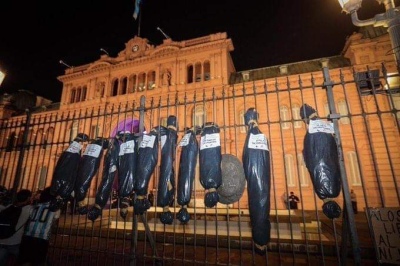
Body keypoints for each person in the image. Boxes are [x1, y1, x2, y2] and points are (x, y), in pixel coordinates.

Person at [18, 187, 60, 266]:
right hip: (42, 237)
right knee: (39, 261)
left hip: (28, 235)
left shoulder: (35, 206)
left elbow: (30, 217)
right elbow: (54, 222)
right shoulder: (55, 209)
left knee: (25, 260)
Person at [0, 189, 32, 265]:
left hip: (2, 239)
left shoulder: (9, 207)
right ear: (28, 198)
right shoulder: (28, 209)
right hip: (15, 242)